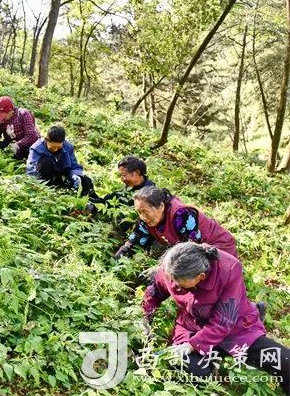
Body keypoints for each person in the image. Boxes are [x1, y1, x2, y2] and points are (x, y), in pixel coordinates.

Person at [143, 243, 289, 394]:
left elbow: (224, 321)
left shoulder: (229, 269)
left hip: (236, 327)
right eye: (170, 278)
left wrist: (191, 346)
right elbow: (154, 293)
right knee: (194, 373)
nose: (173, 283)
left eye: (179, 281)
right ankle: (210, 362)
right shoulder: (172, 266)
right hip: (191, 326)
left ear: (200, 277)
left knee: (284, 361)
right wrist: (144, 318)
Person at [115, 186, 238, 259]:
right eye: (139, 212)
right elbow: (135, 240)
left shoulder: (181, 215)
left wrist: (161, 269)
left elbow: (194, 250)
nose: (142, 217)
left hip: (218, 247)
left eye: (145, 212)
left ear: (161, 206)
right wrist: (120, 255)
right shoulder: (147, 219)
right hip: (197, 249)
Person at [26, 125, 96, 197]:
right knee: (46, 162)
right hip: (45, 179)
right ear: (46, 140)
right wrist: (38, 186)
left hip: (63, 177)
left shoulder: (68, 147)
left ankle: (91, 200)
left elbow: (74, 166)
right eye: (53, 147)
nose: (55, 150)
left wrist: (75, 175)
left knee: (86, 181)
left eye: (59, 147)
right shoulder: (36, 148)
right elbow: (31, 171)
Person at [86, 155, 155, 214]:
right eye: (121, 175)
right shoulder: (127, 189)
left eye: (123, 175)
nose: (122, 179)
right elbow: (106, 201)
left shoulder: (150, 193)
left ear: (136, 173)